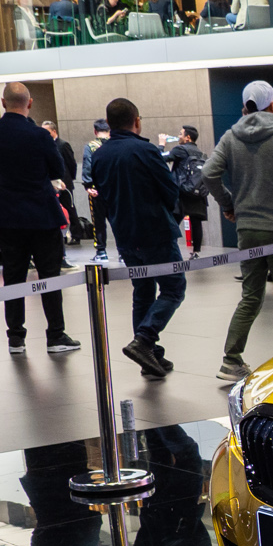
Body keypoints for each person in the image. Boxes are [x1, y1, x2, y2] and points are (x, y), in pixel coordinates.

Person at [203, 80, 273, 382]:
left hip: (247, 228)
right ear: (271, 104)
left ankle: (231, 360)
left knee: (250, 296)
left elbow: (209, 172)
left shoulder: (231, 135)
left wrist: (229, 204)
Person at [0, 83, 79, 356]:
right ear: (29, 103)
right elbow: (57, 169)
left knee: (13, 275)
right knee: (50, 275)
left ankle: (16, 338)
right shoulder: (39, 134)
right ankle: (55, 335)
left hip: (7, 212)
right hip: (41, 212)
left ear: (3, 101)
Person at [91, 96, 184, 380]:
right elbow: (170, 190)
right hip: (155, 231)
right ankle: (144, 340)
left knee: (142, 291)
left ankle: (148, 357)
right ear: (137, 121)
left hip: (124, 234)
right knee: (173, 288)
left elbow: (102, 197)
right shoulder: (145, 150)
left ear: (109, 123)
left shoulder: (100, 155)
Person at [167, 125, 208, 254]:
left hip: (181, 194)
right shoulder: (202, 154)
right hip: (198, 194)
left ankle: (170, 252)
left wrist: (161, 145)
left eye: (180, 134)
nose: (178, 137)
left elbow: (161, 158)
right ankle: (196, 253)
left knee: (172, 224)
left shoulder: (180, 149)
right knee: (196, 223)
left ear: (187, 137)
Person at [81, 119, 111, 263]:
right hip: (115, 189)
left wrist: (88, 186)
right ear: (109, 131)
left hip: (97, 189)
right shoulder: (114, 145)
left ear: (95, 131)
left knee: (98, 221)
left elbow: (87, 166)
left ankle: (101, 252)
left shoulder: (91, 146)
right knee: (118, 220)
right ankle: (123, 253)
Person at [44, 120, 77, 237]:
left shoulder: (63, 145)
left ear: (54, 131)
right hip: (51, 182)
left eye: (47, 131)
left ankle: (76, 234)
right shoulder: (45, 145)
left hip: (64, 181)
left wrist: (70, 178)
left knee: (69, 207)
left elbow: (71, 163)